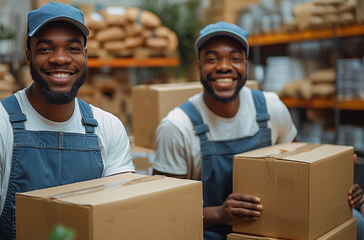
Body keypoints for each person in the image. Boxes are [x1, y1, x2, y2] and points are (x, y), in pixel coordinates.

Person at [152, 21, 364, 240]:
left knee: (357, 221)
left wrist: (340, 191)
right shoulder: (178, 126)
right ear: (198, 66)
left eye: (235, 58)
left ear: (246, 65)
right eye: (212, 59)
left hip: (271, 224)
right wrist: (220, 213)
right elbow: (166, 211)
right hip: (211, 230)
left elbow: (303, 169)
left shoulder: (270, 108)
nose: (224, 66)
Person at [0, 2, 135, 240]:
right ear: (28, 56)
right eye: (46, 49)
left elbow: (118, 214)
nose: (60, 59)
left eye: (72, 48)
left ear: (85, 56)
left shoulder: (108, 127)